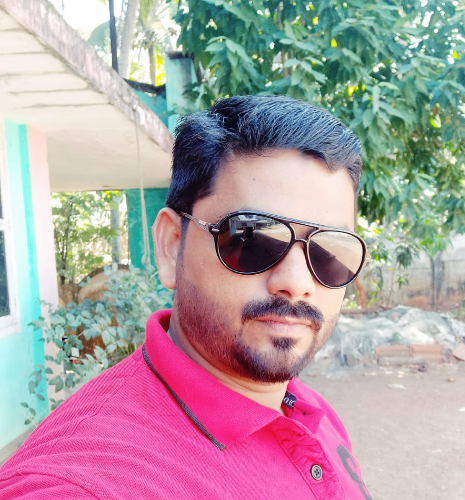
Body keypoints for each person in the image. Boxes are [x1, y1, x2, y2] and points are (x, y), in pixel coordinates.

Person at [0, 95, 372, 499]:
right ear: (171, 245)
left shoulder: (305, 407)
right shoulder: (79, 484)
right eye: (251, 239)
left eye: (331, 249)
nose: (297, 283)